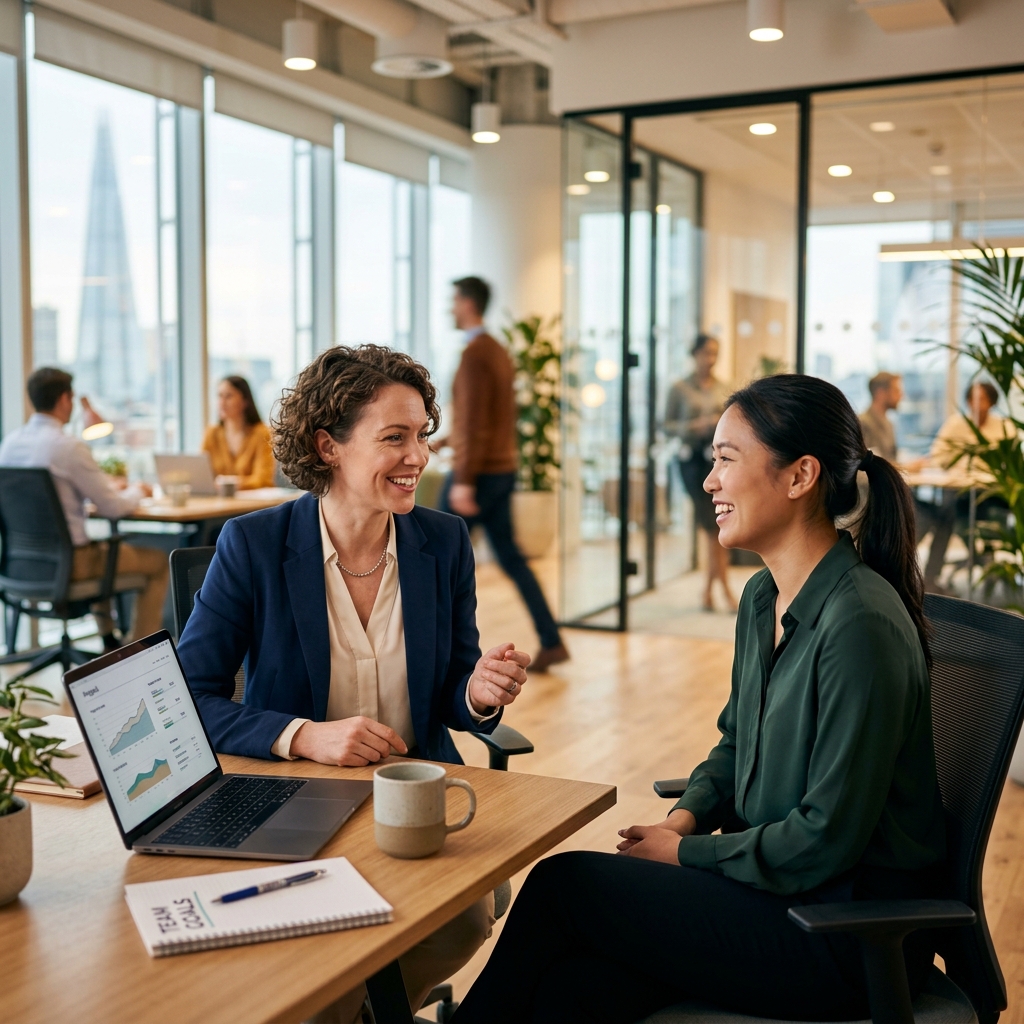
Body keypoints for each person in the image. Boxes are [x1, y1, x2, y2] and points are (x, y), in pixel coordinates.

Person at [452, 374, 946, 1024]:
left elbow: (825, 839)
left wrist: (686, 855)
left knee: (563, 885)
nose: (710, 481)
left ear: (800, 476)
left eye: (726, 459)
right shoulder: (764, 597)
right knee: (571, 991)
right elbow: (736, 743)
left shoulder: (860, 623)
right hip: (771, 892)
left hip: (844, 932)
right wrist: (683, 820)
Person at [176, 345, 531, 1022]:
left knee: (457, 926)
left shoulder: (443, 543)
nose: (418, 456)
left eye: (422, 434)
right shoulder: (254, 545)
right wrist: (303, 735)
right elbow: (189, 696)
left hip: (414, 798)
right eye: (394, 437)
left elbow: (452, 685)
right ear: (328, 447)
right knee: (324, 958)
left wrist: (477, 693)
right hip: (294, 800)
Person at [440, 276, 568, 673]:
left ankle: (436, 656)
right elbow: (484, 420)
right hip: (499, 469)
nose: (449, 308)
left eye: (453, 301)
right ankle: (552, 640)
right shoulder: (496, 350)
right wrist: (443, 441)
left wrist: (463, 480)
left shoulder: (476, 353)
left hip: (478, 475)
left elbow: (474, 422)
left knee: (430, 555)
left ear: (468, 303)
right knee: (511, 559)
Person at [0, 367, 168, 649]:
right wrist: (138, 490)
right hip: (72, 565)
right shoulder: (67, 447)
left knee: (101, 549)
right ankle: (138, 655)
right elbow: (113, 508)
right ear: (65, 399)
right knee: (158, 562)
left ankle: (109, 641)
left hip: (19, 565)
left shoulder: (9, 445)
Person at [664, 334, 736, 612]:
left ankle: (709, 590)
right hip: (692, 462)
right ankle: (723, 589)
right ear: (694, 354)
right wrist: (693, 426)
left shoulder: (724, 387)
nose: (711, 359)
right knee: (711, 526)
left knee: (717, 525)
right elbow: (665, 425)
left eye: (715, 353)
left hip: (719, 460)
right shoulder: (679, 389)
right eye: (706, 352)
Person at [920, 380, 1014, 589]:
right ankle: (931, 576)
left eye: (983, 399)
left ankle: (986, 561)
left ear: (992, 401)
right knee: (945, 514)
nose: (977, 404)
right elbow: (938, 455)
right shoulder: (956, 424)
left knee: (990, 514)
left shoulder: (1004, 427)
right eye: (973, 398)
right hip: (959, 491)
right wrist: (958, 464)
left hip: (991, 494)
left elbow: (1012, 462)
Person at [201, 375, 275, 489]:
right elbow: (202, 474)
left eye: (228, 396)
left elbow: (263, 479)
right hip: (219, 498)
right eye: (219, 396)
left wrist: (229, 484)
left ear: (245, 401)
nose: (222, 403)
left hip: (254, 499)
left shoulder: (262, 433)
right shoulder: (211, 433)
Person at [858, 371, 901, 462]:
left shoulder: (889, 424)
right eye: (896, 391)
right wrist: (907, 467)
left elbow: (892, 458)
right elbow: (868, 464)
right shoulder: (863, 423)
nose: (901, 395)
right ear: (880, 393)